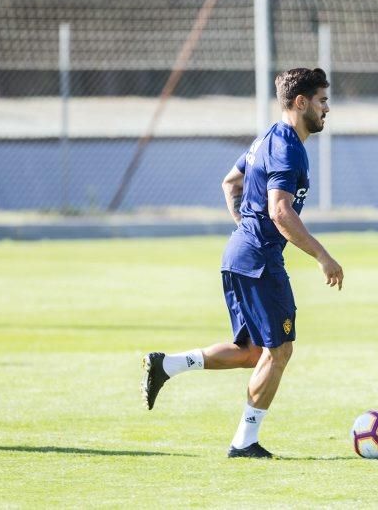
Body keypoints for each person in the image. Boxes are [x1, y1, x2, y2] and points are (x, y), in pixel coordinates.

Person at [141, 67, 344, 459]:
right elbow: (281, 212)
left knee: (253, 351)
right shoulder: (286, 146)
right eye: (321, 101)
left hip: (240, 254)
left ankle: (166, 365)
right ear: (300, 102)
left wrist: (245, 230)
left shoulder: (266, 138)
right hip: (259, 261)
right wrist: (323, 256)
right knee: (279, 352)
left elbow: (230, 183)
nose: (326, 109)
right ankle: (244, 442)